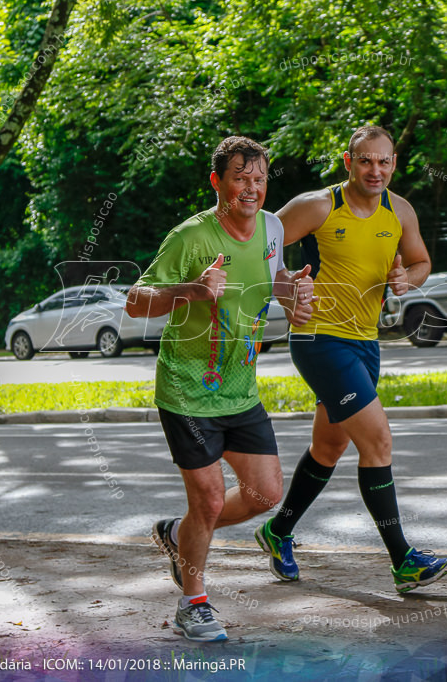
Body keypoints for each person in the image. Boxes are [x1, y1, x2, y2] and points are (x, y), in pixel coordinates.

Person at [125, 136, 315, 642]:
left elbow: (271, 278)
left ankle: (176, 535)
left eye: (259, 179)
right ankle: (193, 603)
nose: (251, 189)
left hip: (240, 388)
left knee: (264, 494)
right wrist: (190, 290)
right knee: (208, 501)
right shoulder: (190, 238)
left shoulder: (273, 228)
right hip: (187, 390)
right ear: (217, 182)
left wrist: (291, 287)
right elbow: (135, 301)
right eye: (240, 178)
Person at [253, 126, 447, 593]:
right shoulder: (318, 205)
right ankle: (403, 560)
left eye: (384, 162)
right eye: (366, 161)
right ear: (348, 162)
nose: (375, 170)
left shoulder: (399, 210)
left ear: (394, 163)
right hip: (319, 338)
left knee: (329, 448)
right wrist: (285, 286)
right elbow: (261, 240)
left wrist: (408, 279)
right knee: (378, 441)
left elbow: (421, 261)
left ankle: (277, 531)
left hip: (367, 342)